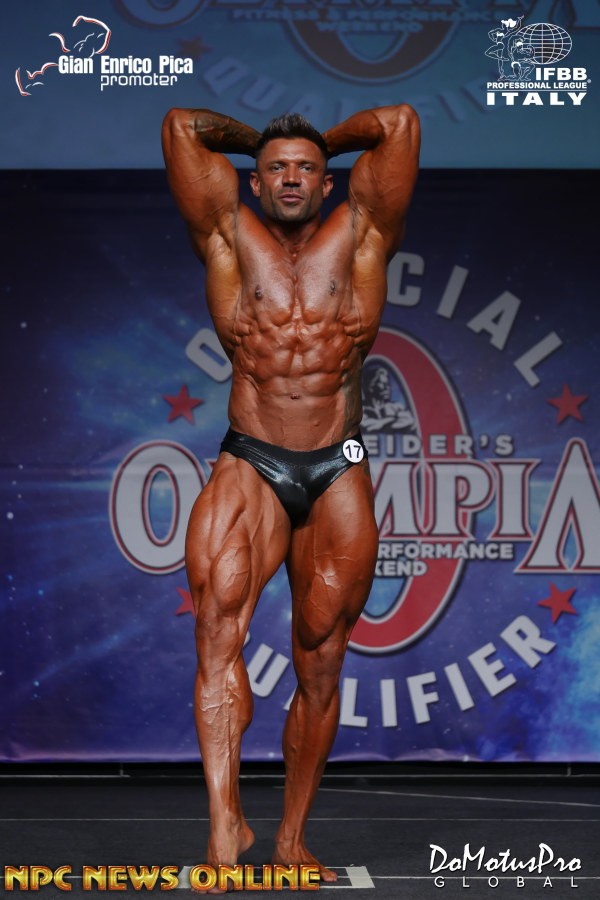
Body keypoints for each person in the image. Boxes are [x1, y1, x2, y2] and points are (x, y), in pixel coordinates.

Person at [161, 103, 420, 887]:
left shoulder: (362, 231)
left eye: (306, 168)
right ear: (255, 180)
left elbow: (399, 123)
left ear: (328, 179)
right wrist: (262, 140)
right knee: (217, 628)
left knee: (321, 657)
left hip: (337, 463)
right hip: (251, 458)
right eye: (276, 168)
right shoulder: (228, 233)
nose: (292, 178)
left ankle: (291, 838)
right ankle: (223, 831)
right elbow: (181, 127)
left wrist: (317, 142)